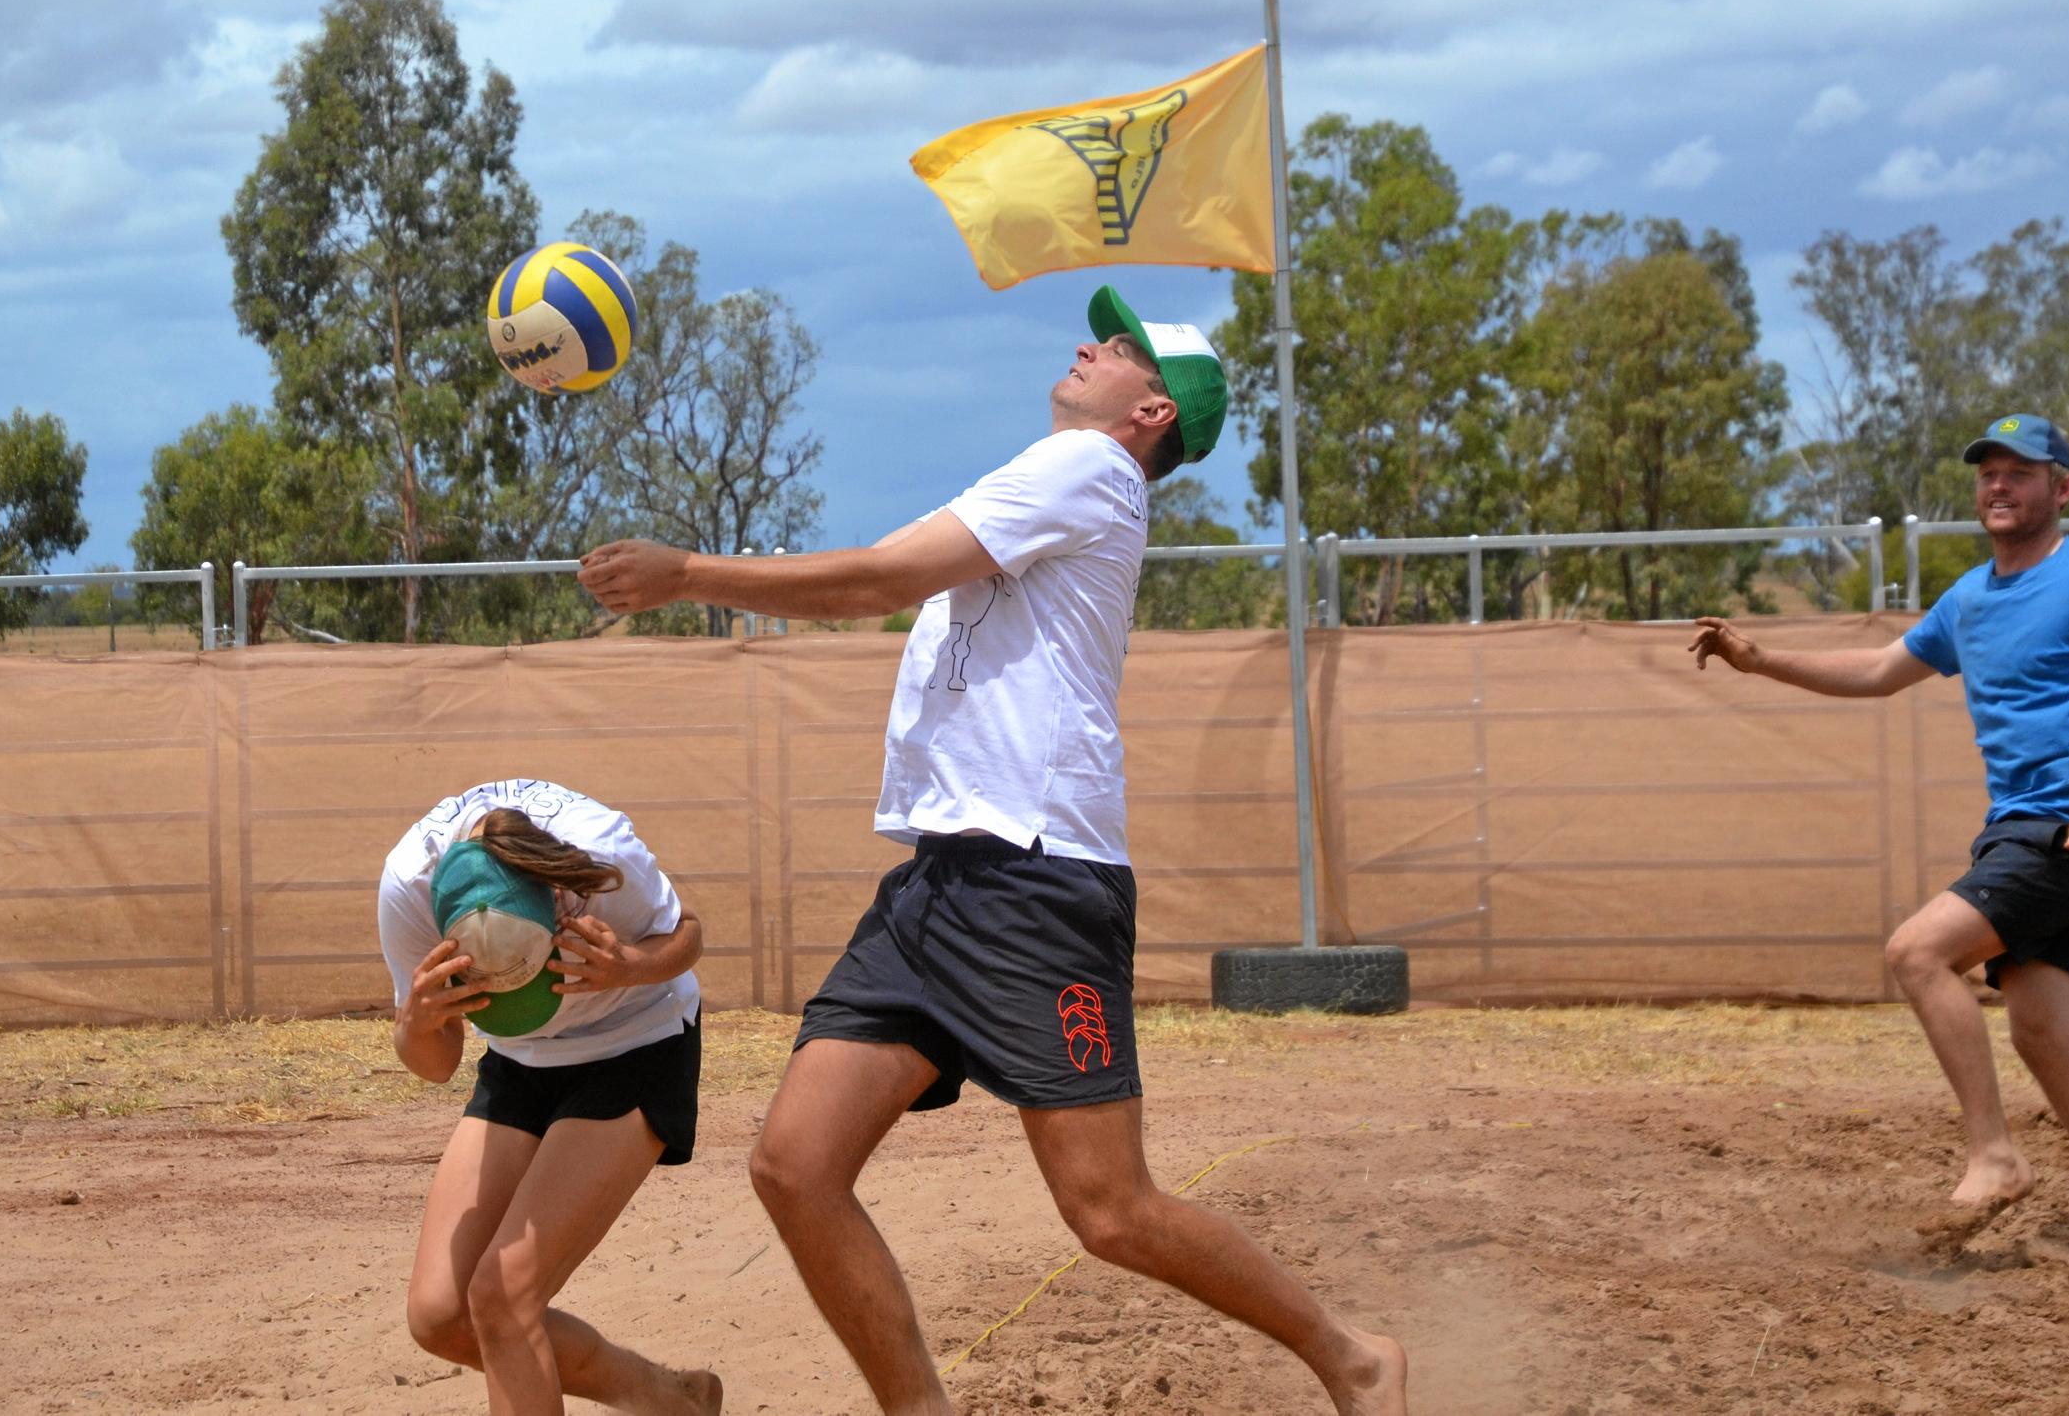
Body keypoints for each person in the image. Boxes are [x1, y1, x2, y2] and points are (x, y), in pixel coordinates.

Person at [580, 287, 1408, 1416]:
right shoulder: (1045, 476)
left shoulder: (1090, 471)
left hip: (1035, 881)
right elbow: (895, 574)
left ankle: (1352, 1356)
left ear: (1153, 408)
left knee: (1110, 1210)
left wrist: (690, 577)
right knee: (795, 1164)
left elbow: (878, 579)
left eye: (1115, 347)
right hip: (942, 882)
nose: (1086, 346)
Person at [1691, 412, 2069, 1229]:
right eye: (1988, 472)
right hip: (2025, 829)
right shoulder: (1969, 599)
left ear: (2062, 487)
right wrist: (1761, 662)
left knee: (1918, 951)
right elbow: (1877, 667)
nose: (1999, 485)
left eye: (2020, 470)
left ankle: (1995, 1156)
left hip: (2056, 827)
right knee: (2041, 1031)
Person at [379, 776, 724, 1416]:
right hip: (521, 1060)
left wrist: (630, 964)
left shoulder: (598, 853)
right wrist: (415, 1025)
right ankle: (672, 1399)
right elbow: (437, 1065)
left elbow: (690, 934)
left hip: (635, 1042)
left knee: (504, 1297)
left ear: (560, 900)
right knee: (440, 1316)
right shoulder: (409, 890)